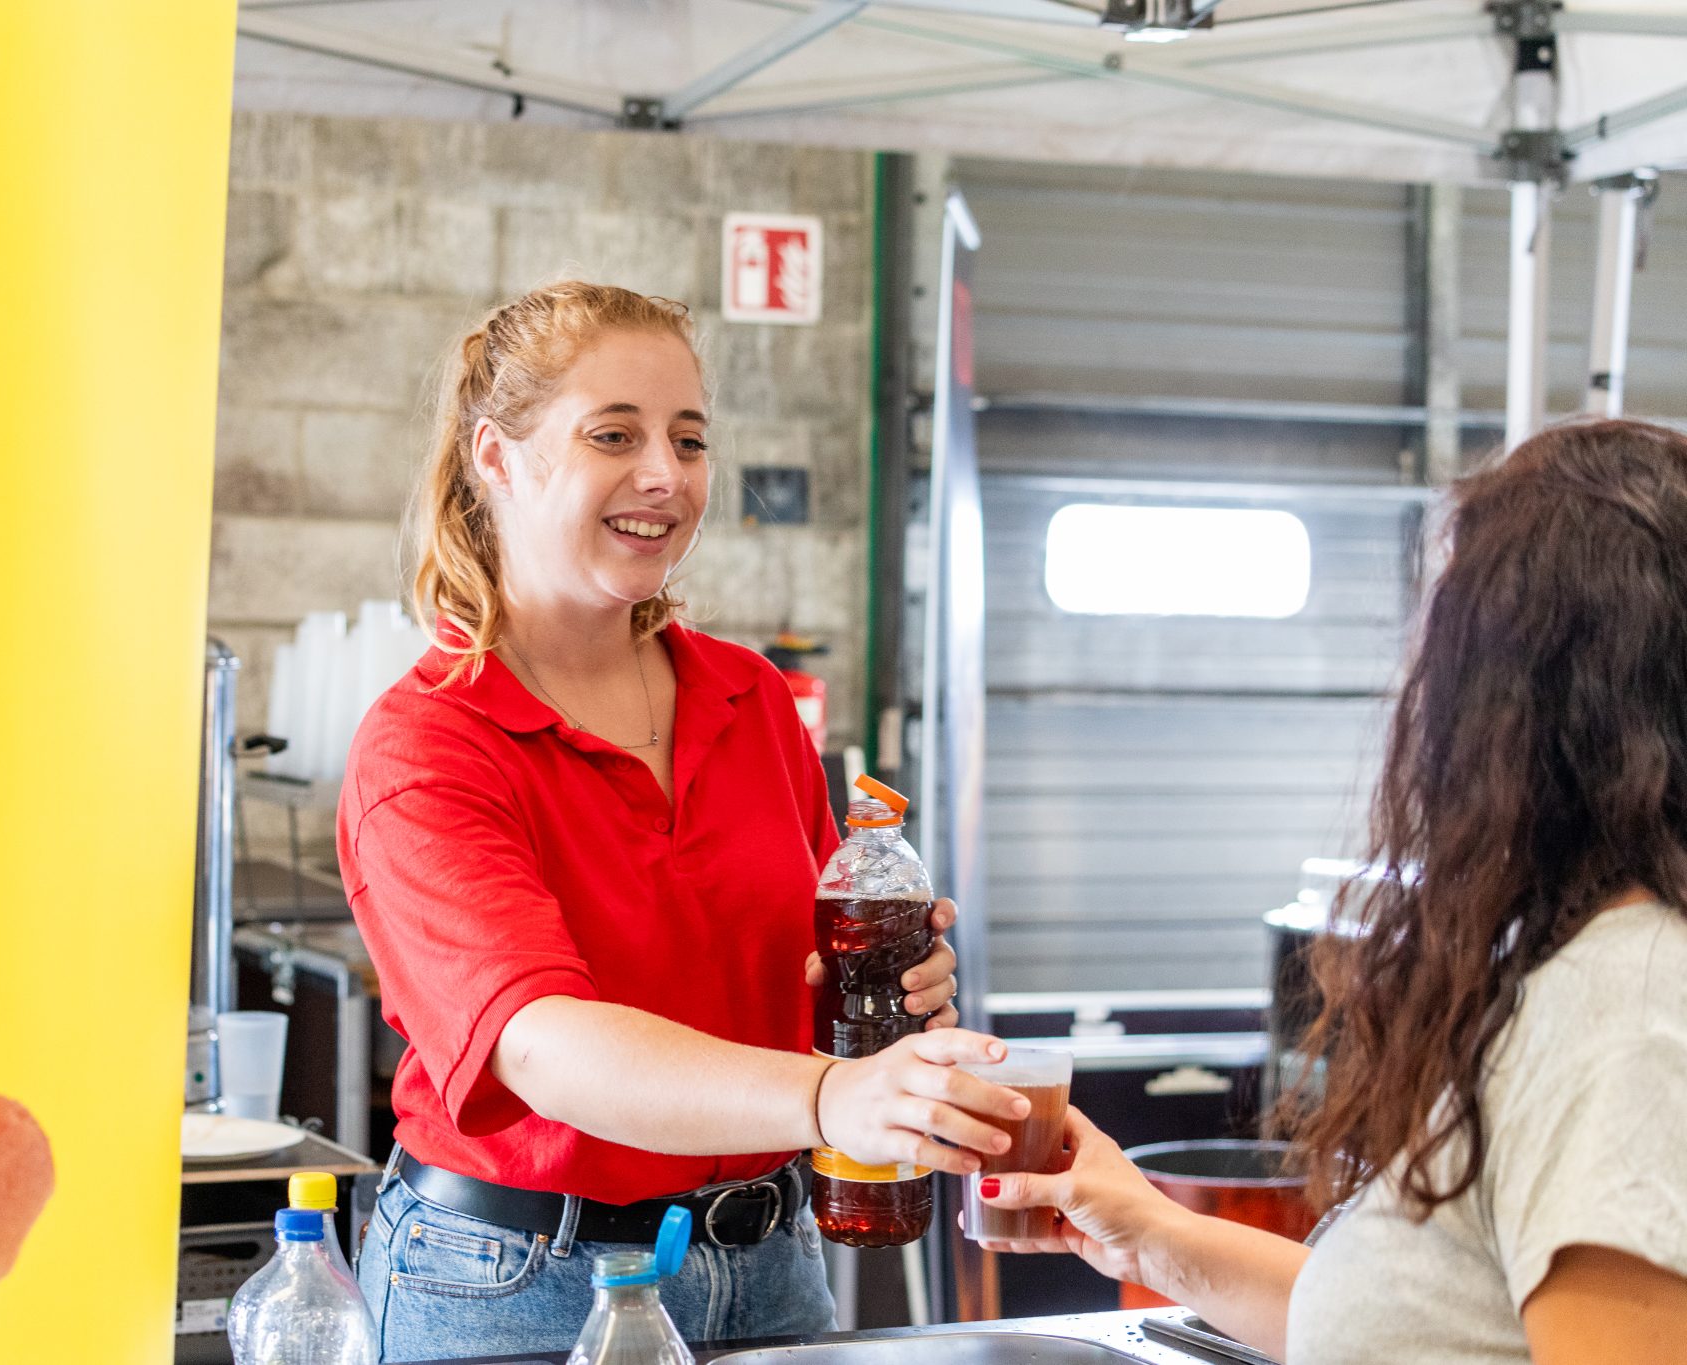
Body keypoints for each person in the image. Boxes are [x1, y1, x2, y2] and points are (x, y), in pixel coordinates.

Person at [337, 281, 1026, 1362]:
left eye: (688, 439)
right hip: (514, 1284)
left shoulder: (748, 700)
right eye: (612, 434)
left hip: (767, 1258)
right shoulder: (428, 744)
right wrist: (831, 1092)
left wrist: (878, 993)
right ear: (494, 457)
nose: (664, 474)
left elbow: (787, 992)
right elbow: (546, 1049)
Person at [975, 418, 1687, 1363]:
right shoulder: (1579, 967)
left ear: (1517, 700)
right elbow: (1422, 1319)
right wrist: (1148, 1232)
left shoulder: (1624, 1018)